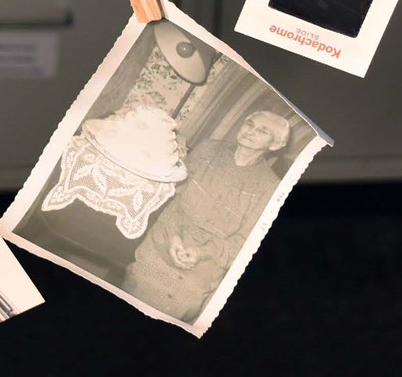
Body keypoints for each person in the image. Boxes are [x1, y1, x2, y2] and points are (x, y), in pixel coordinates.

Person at [123, 111, 291, 323]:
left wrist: (201, 252)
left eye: (263, 131)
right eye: (250, 124)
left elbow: (244, 241)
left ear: (275, 145)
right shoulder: (208, 149)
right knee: (136, 290)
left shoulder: (270, 187)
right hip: (165, 240)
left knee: (178, 307)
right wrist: (174, 237)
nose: (251, 131)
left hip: (207, 264)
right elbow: (172, 197)